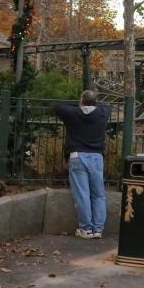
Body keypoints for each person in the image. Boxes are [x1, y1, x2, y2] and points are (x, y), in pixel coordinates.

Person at [55, 91, 112, 239]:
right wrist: (87, 104)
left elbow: (58, 106)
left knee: (82, 195)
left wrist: (78, 105)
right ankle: (98, 229)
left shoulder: (72, 113)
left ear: (81, 101)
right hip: (97, 157)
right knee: (98, 194)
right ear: (96, 101)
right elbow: (107, 106)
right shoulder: (103, 112)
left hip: (77, 156)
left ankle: (86, 228)